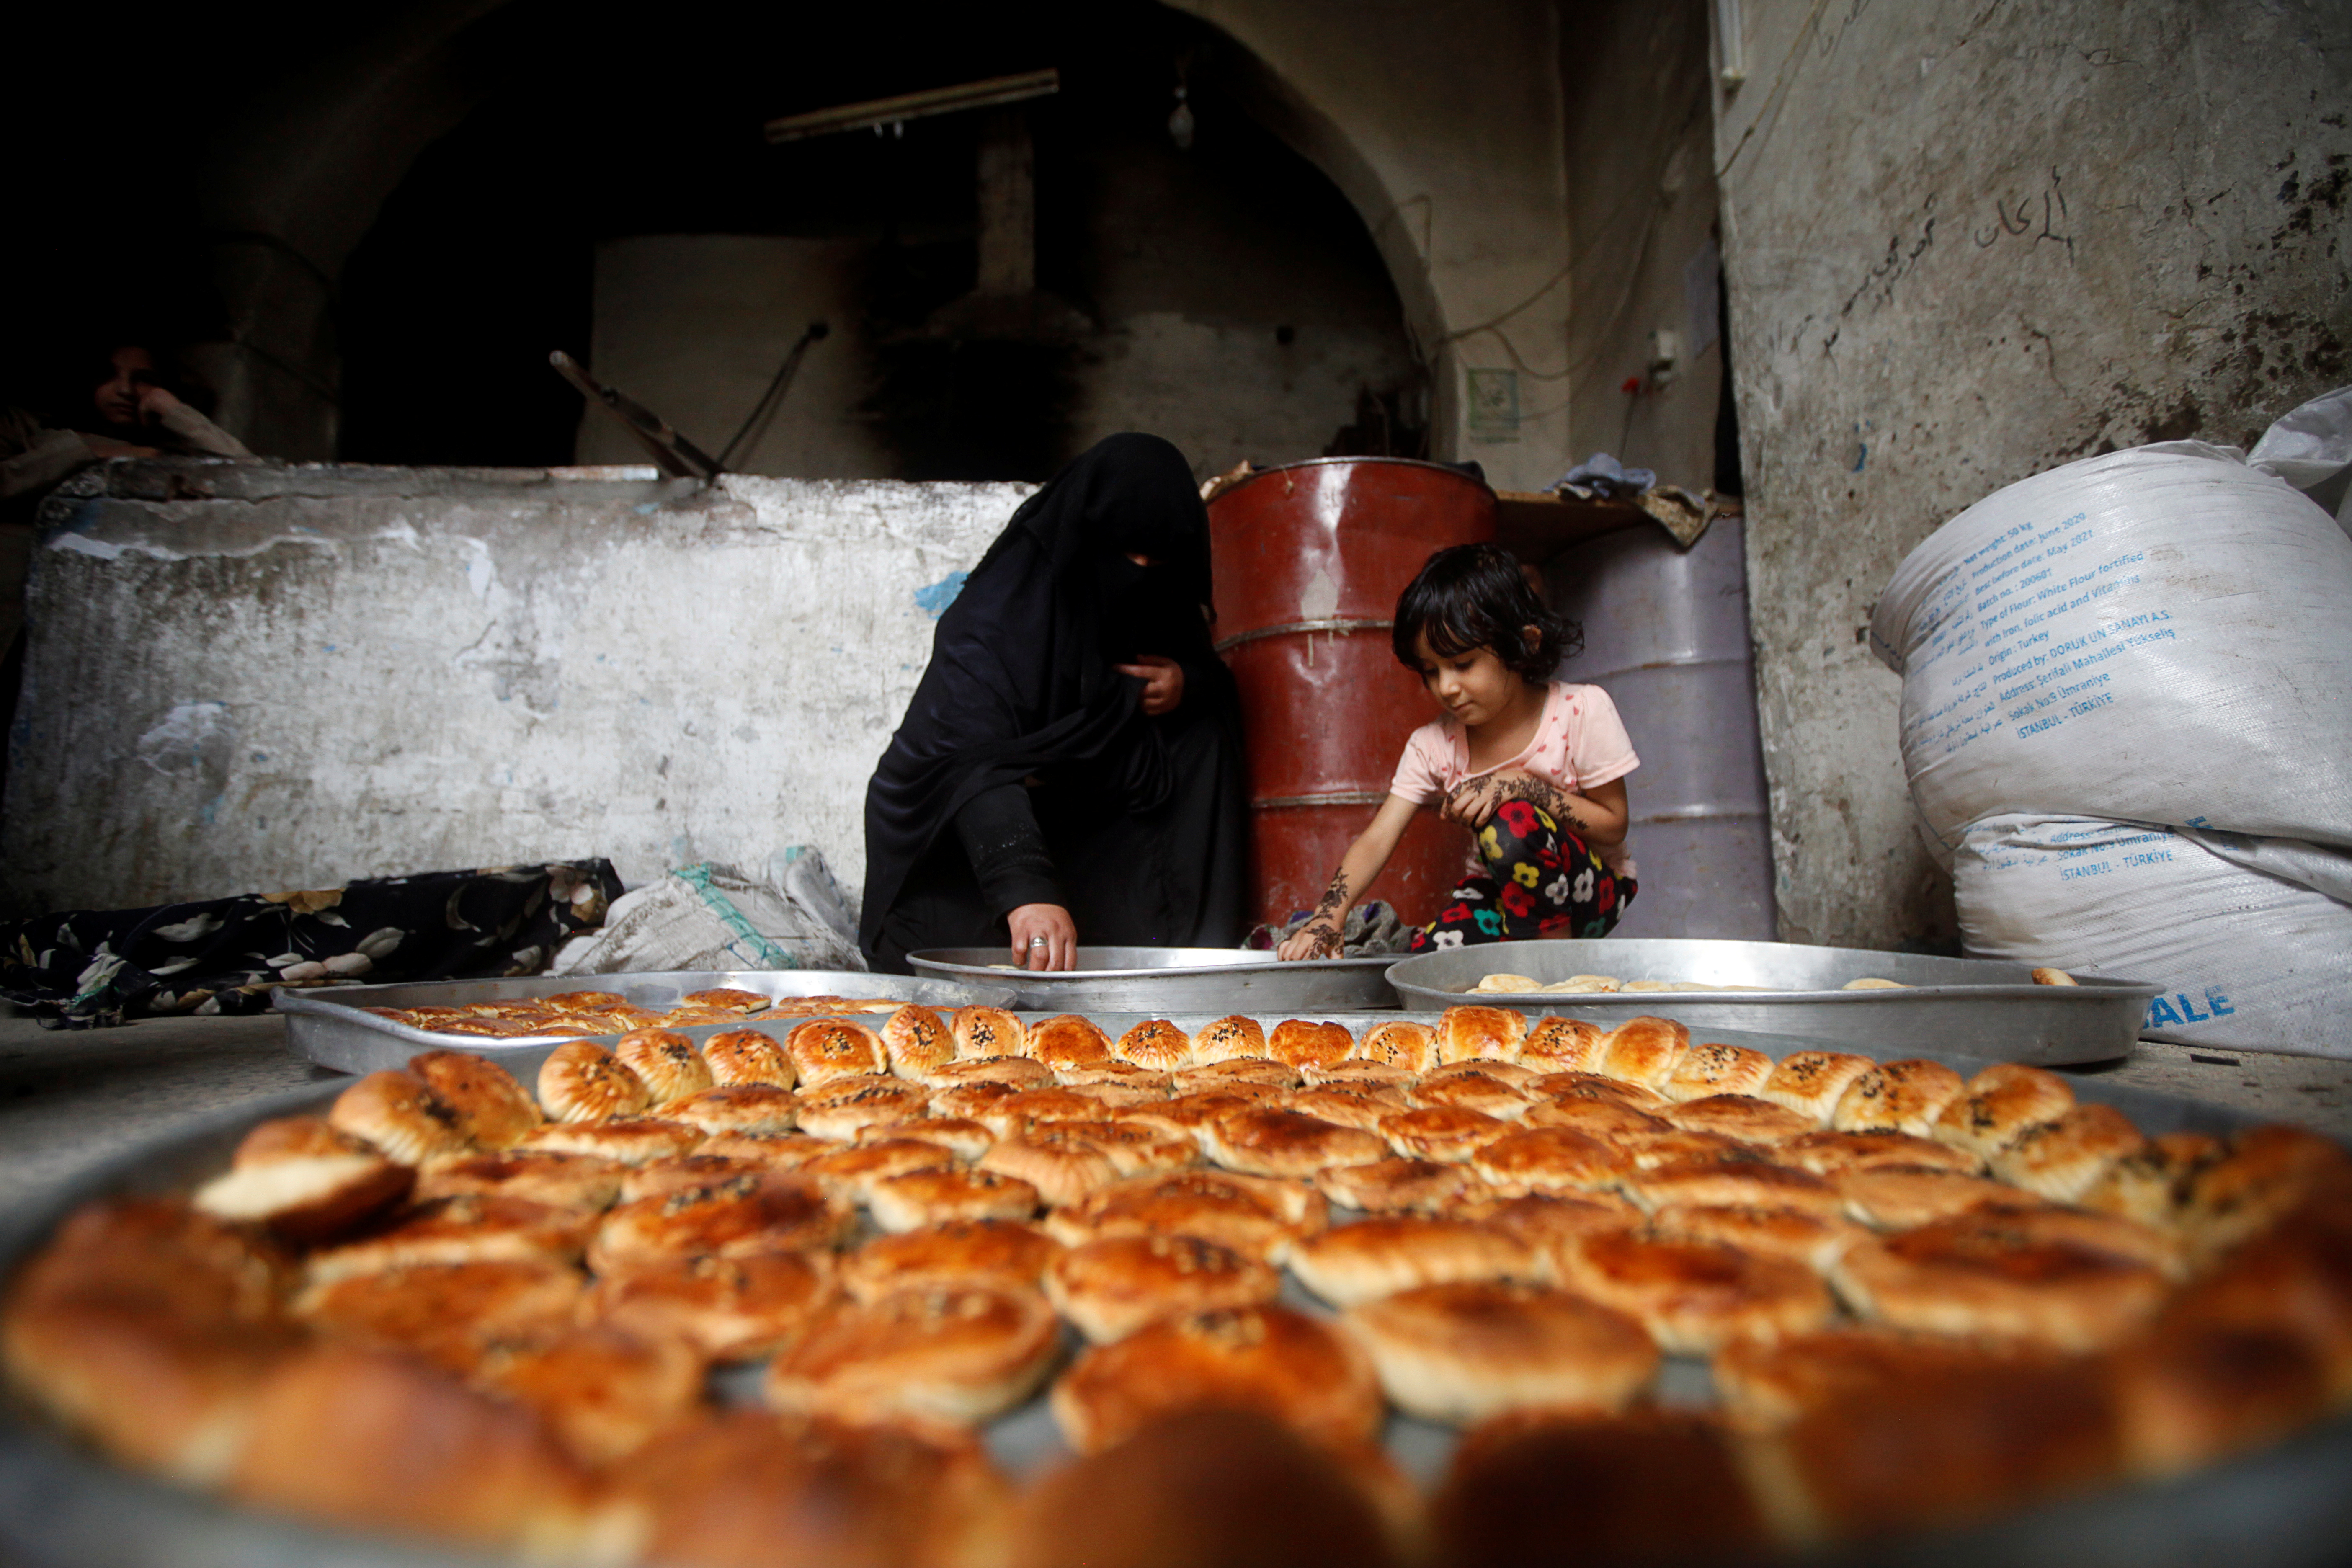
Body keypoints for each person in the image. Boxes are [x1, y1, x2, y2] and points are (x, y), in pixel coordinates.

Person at [860, 433, 1249, 974]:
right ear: (1084, 533)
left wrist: (1190, 680)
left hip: (1082, 825)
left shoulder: (1159, 596)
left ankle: (1191, 959)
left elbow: (1204, 673)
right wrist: (1026, 891)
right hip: (966, 851)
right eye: (1122, 551)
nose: (1137, 571)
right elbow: (970, 764)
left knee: (1201, 732)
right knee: (957, 965)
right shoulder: (994, 621)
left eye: (1154, 559)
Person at [1276, 542, 1639, 959]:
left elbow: (1614, 825)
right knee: (1425, 964)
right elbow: (1378, 838)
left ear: (1525, 645)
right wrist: (1328, 916)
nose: (1446, 687)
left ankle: (1552, 971)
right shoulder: (1433, 744)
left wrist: (1521, 786)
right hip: (1496, 897)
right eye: (1431, 671)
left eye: (1463, 664)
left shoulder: (1582, 709)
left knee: (1511, 822)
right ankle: (1517, 958)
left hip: (1590, 894)